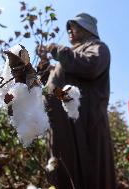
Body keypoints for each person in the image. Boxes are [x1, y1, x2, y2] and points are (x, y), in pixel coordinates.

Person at [43, 13, 116, 189]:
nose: (69, 30)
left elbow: (91, 65)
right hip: (62, 123)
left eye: (73, 26)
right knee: (63, 168)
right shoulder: (71, 55)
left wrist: (58, 51)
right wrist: (46, 70)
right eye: (68, 27)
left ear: (87, 29)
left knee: (88, 171)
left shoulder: (98, 47)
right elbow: (57, 84)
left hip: (85, 124)